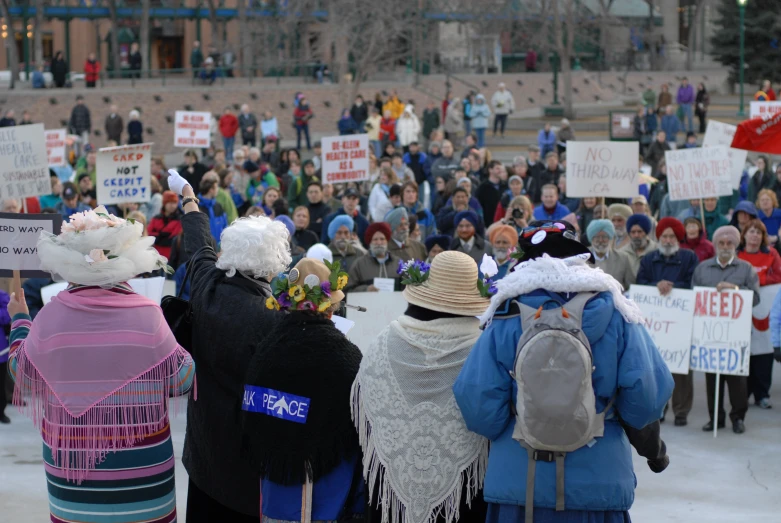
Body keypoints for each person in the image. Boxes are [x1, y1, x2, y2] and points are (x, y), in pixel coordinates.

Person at [454, 220, 673, 523]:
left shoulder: (504, 313)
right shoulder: (616, 310)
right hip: (598, 483)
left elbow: (477, 406)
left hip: (519, 485)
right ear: (577, 254)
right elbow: (646, 400)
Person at [8, 205, 193, 520]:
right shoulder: (148, 314)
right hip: (142, 483)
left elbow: (22, 373)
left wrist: (20, 320)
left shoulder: (51, 316)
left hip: (73, 480)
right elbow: (182, 380)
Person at [167, 168, 292, 520]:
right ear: (273, 264)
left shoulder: (207, 285)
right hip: (246, 467)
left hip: (204, 454)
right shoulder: (274, 318)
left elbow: (198, 241)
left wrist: (189, 194)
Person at [353, 250, 490, 523]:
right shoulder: (483, 346)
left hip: (390, 500)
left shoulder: (386, 338)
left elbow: (365, 403)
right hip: (463, 498)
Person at [243, 257, 363, 521]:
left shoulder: (267, 349)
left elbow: (251, 414)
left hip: (275, 486)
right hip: (325, 491)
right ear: (330, 308)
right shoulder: (343, 354)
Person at [692, 225, 760, 434]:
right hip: (710, 333)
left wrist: (736, 290)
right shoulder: (702, 269)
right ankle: (715, 418)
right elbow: (694, 296)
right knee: (713, 378)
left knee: (737, 379)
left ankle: (738, 417)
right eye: (721, 243)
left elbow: (756, 298)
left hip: (736, 334)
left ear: (735, 244)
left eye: (729, 243)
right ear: (715, 245)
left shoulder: (746, 268)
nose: (725, 246)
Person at [636, 218, 699, 426]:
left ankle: (681, 412)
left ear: (678, 238)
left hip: (680, 321)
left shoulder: (689, 258)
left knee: (681, 370)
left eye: (672, 236)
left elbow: (693, 283)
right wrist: (657, 284)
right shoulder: (648, 259)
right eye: (665, 236)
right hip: (655, 325)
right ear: (659, 237)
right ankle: (659, 408)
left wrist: (673, 286)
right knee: (655, 368)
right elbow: (640, 283)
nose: (668, 240)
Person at [737, 219, 781, 409]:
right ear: (744, 235)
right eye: (751, 231)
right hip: (742, 311)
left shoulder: (771, 254)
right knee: (745, 351)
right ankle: (744, 393)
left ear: (763, 237)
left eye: (758, 232)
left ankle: (762, 393)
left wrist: (759, 279)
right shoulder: (738, 254)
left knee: (764, 352)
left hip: (765, 309)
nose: (754, 235)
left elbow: (779, 275)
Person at [345, 222, 403, 292]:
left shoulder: (398, 263)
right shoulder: (359, 264)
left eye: (382, 239)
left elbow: (406, 289)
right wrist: (366, 289)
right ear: (370, 242)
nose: (379, 243)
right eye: (375, 239)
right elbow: (348, 290)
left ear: (387, 241)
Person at [587, 219, 636, 291]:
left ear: (610, 238)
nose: (601, 240)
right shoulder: (583, 257)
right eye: (597, 237)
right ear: (591, 239)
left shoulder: (623, 259)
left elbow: (631, 287)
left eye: (604, 237)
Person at [147, 190, 183, 259]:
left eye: (174, 203)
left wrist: (158, 235)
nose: (172, 205)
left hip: (172, 256)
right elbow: (149, 234)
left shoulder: (180, 220)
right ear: (164, 203)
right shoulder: (156, 218)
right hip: (155, 256)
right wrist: (163, 235)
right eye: (170, 203)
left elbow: (173, 238)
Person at [476, 160, 508, 226]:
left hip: (504, 223)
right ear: (490, 170)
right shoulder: (482, 188)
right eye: (497, 168)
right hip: (488, 223)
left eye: (501, 169)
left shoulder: (505, 186)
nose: (500, 171)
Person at [198, 177, 229, 242]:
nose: (218, 189)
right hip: (205, 248)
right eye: (216, 187)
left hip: (220, 246)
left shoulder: (218, 206)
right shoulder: (197, 207)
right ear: (211, 190)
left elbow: (225, 226)